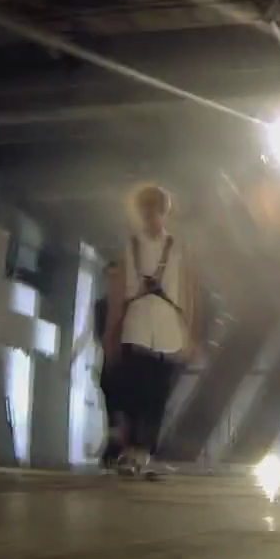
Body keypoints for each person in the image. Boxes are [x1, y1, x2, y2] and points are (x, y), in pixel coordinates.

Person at [104, 184, 198, 480]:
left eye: (156, 210)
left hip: (168, 328)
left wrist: (189, 332)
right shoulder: (131, 246)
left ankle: (143, 454)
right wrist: (111, 331)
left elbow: (188, 291)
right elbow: (120, 291)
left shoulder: (178, 248)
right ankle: (131, 451)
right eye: (147, 211)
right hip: (137, 325)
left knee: (158, 395)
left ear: (164, 212)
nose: (152, 217)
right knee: (135, 391)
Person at [88, 261, 129, 471]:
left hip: (128, 363)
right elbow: (99, 335)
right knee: (112, 408)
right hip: (110, 363)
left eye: (116, 277)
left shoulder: (131, 305)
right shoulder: (101, 306)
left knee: (126, 408)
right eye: (110, 277)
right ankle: (115, 447)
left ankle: (121, 447)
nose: (112, 282)